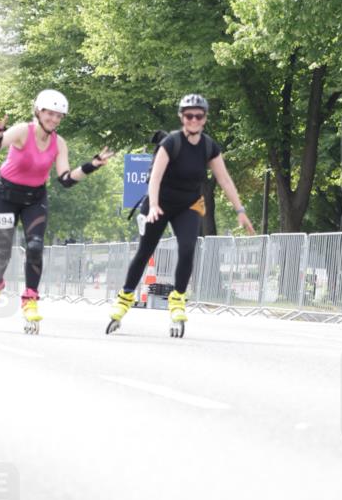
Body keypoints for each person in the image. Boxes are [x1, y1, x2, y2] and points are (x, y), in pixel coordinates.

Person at [108, 94, 254, 333]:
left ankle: (177, 300)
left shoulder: (209, 146)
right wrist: (154, 205)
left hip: (188, 205)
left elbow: (225, 179)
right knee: (145, 250)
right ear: (182, 117)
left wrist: (240, 210)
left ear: (205, 118)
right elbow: (155, 176)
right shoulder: (171, 143)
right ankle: (124, 299)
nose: (194, 120)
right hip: (160, 203)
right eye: (189, 116)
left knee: (187, 248)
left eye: (198, 115)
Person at [0, 89, 112, 329]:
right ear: (38, 112)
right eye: (50, 114)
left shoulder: (59, 143)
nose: (54, 119)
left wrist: (91, 165)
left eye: (59, 116)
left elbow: (65, 179)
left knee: (35, 247)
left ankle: (30, 299)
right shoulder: (23, 131)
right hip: (6, 196)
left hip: (34, 198)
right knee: (2, 251)